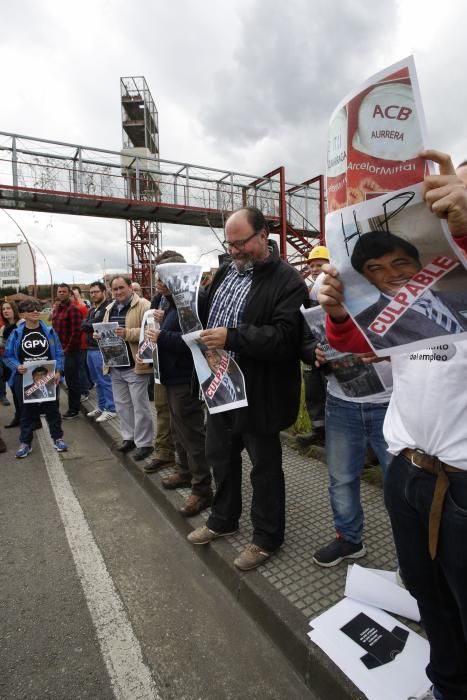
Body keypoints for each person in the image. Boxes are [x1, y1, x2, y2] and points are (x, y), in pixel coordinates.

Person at [318, 150, 467, 700]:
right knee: (431, 598)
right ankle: (447, 685)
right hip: (407, 469)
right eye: (375, 273)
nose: (388, 281)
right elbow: (361, 344)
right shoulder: (402, 305)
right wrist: (338, 314)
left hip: (462, 479)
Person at [187, 206, 309, 571]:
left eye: (241, 243)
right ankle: (223, 520)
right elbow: (208, 312)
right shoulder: (227, 270)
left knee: (264, 468)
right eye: (229, 243)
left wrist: (233, 337)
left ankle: (266, 539)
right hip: (219, 385)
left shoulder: (288, 281)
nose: (234, 250)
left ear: (263, 235)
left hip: (260, 392)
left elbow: (286, 338)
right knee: (220, 457)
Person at [145, 253, 212, 516]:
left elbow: (195, 340)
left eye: (163, 276)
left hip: (186, 378)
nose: (158, 281)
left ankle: (202, 489)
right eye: (157, 276)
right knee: (178, 429)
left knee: (192, 432)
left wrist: (162, 335)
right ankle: (184, 472)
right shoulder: (170, 301)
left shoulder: (193, 300)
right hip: (171, 376)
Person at [350, 230, 467, 350]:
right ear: (366, 277)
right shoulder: (364, 325)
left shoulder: (462, 295)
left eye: (400, 263)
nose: (394, 274)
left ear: (418, 263)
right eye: (377, 269)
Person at [4, 299, 68, 458]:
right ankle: (25, 442)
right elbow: (8, 356)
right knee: (26, 411)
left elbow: (59, 353)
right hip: (24, 377)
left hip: (47, 376)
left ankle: (58, 438)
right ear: (22, 314)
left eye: (37, 309)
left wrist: (58, 370)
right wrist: (16, 366)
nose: (35, 312)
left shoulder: (49, 331)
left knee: (52, 409)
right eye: (30, 309)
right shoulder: (17, 333)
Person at [102, 275, 154, 460]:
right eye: (114, 289)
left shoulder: (144, 306)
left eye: (121, 287)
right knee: (123, 406)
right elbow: (109, 332)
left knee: (140, 407)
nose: (118, 292)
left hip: (135, 365)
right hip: (116, 364)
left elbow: (152, 332)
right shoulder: (109, 308)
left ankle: (145, 444)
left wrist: (127, 333)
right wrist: (100, 336)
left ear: (130, 287)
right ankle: (129, 438)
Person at [297, 245, 330, 447]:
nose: (315, 269)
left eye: (320, 265)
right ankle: (319, 431)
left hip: (329, 350)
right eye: (312, 266)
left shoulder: (333, 290)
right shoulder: (309, 292)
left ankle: (333, 435)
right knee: (313, 392)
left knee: (330, 394)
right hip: (311, 350)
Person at [81, 281, 116, 423]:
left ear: (103, 292)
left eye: (96, 292)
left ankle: (111, 409)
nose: (93, 294)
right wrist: (89, 325)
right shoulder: (91, 309)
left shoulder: (107, 307)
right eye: (91, 292)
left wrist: (89, 325)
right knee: (97, 380)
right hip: (90, 349)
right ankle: (101, 406)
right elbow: (85, 325)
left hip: (100, 349)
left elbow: (93, 326)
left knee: (105, 380)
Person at [52, 283, 83, 419]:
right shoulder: (57, 309)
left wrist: (66, 350)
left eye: (64, 291)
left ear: (69, 293)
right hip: (57, 351)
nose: (61, 293)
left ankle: (74, 410)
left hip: (70, 352)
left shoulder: (73, 309)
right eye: (59, 291)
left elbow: (76, 333)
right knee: (55, 380)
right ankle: (53, 408)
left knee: (72, 382)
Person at [1, 300, 22, 426]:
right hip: (9, 364)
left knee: (23, 394)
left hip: (21, 363)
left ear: (14, 310)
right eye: (3, 309)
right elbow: (2, 344)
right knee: (14, 392)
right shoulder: (3, 328)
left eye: (8, 308)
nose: (5, 311)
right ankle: (18, 417)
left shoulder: (21, 324)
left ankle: (30, 419)